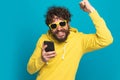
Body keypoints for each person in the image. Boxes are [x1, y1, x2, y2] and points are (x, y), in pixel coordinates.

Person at [27, 0, 113, 80]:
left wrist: (91, 11)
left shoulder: (79, 40)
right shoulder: (44, 40)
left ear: (68, 23)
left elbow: (106, 39)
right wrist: (41, 59)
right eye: (53, 26)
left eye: (62, 23)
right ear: (50, 28)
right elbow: (30, 69)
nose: (59, 28)